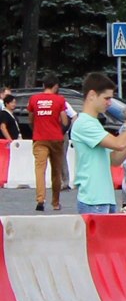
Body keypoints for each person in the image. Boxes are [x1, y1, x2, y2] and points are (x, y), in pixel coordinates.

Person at [70, 73, 126, 215]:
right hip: (93, 199)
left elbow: (115, 159)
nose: (109, 103)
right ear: (92, 95)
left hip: (103, 198)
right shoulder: (84, 123)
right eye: (107, 98)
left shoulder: (93, 123)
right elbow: (119, 143)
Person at [28, 73, 70, 211]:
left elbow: (31, 119)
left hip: (39, 138)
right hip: (56, 139)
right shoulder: (59, 100)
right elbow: (65, 120)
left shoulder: (34, 99)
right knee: (56, 171)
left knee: (40, 170)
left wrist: (37, 128)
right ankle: (55, 203)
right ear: (56, 86)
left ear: (43, 85)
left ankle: (40, 200)